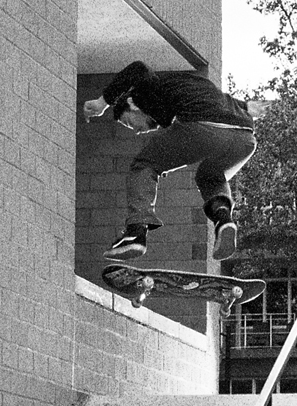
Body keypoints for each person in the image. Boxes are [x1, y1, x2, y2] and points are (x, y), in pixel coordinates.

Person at [83, 61, 264, 261]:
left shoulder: (146, 90)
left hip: (205, 126)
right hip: (245, 138)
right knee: (209, 176)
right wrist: (245, 105)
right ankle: (223, 219)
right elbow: (218, 98)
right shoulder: (181, 87)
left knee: (143, 165)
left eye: (129, 122)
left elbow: (138, 69)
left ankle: (136, 232)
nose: (136, 130)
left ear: (133, 104)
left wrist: (102, 103)